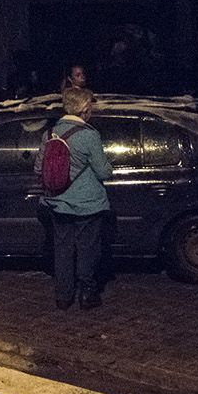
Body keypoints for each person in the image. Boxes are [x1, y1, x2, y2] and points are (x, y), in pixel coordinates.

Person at [40, 86, 112, 311]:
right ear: (85, 108)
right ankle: (87, 294)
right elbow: (103, 171)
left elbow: (38, 166)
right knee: (87, 249)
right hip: (87, 204)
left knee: (62, 250)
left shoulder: (50, 133)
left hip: (58, 201)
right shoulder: (90, 135)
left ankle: (63, 296)